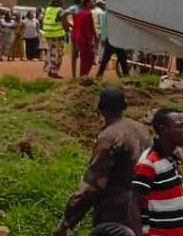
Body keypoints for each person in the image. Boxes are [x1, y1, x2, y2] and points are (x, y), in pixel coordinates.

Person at [54, 87, 151, 236]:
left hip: (117, 212)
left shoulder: (109, 136)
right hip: (145, 206)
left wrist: (67, 222)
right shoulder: (140, 128)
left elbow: (92, 184)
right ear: (124, 106)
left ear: (100, 109)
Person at [129, 108, 183, 236]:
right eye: (180, 127)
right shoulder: (149, 163)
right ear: (163, 130)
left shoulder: (171, 159)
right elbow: (133, 204)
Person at [96, 1, 130, 78]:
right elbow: (104, 27)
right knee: (121, 59)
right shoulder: (112, 14)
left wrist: (103, 39)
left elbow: (103, 27)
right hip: (115, 39)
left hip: (111, 39)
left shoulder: (105, 14)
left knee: (107, 59)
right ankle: (126, 76)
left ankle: (98, 76)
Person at [43, 0, 67, 78]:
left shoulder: (47, 9)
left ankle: (49, 70)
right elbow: (65, 23)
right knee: (59, 53)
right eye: (63, 2)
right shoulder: (60, 10)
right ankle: (55, 71)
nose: (64, 4)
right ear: (60, 3)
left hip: (47, 33)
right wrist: (68, 28)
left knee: (50, 52)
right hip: (58, 34)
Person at [74, 0, 97, 77]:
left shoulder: (79, 13)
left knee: (85, 59)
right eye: (92, 2)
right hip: (85, 40)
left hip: (79, 39)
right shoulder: (88, 14)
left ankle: (83, 76)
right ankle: (83, 76)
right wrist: (91, 40)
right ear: (87, 3)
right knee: (88, 59)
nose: (94, 3)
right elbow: (87, 28)